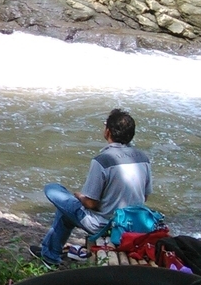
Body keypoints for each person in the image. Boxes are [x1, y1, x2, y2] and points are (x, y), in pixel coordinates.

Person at [30, 109, 152, 267]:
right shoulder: (143, 158)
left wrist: (78, 196)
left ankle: (50, 256)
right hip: (131, 224)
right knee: (66, 211)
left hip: (104, 226)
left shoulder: (103, 160)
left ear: (108, 131)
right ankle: (49, 253)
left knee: (53, 190)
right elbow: (145, 197)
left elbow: (91, 203)